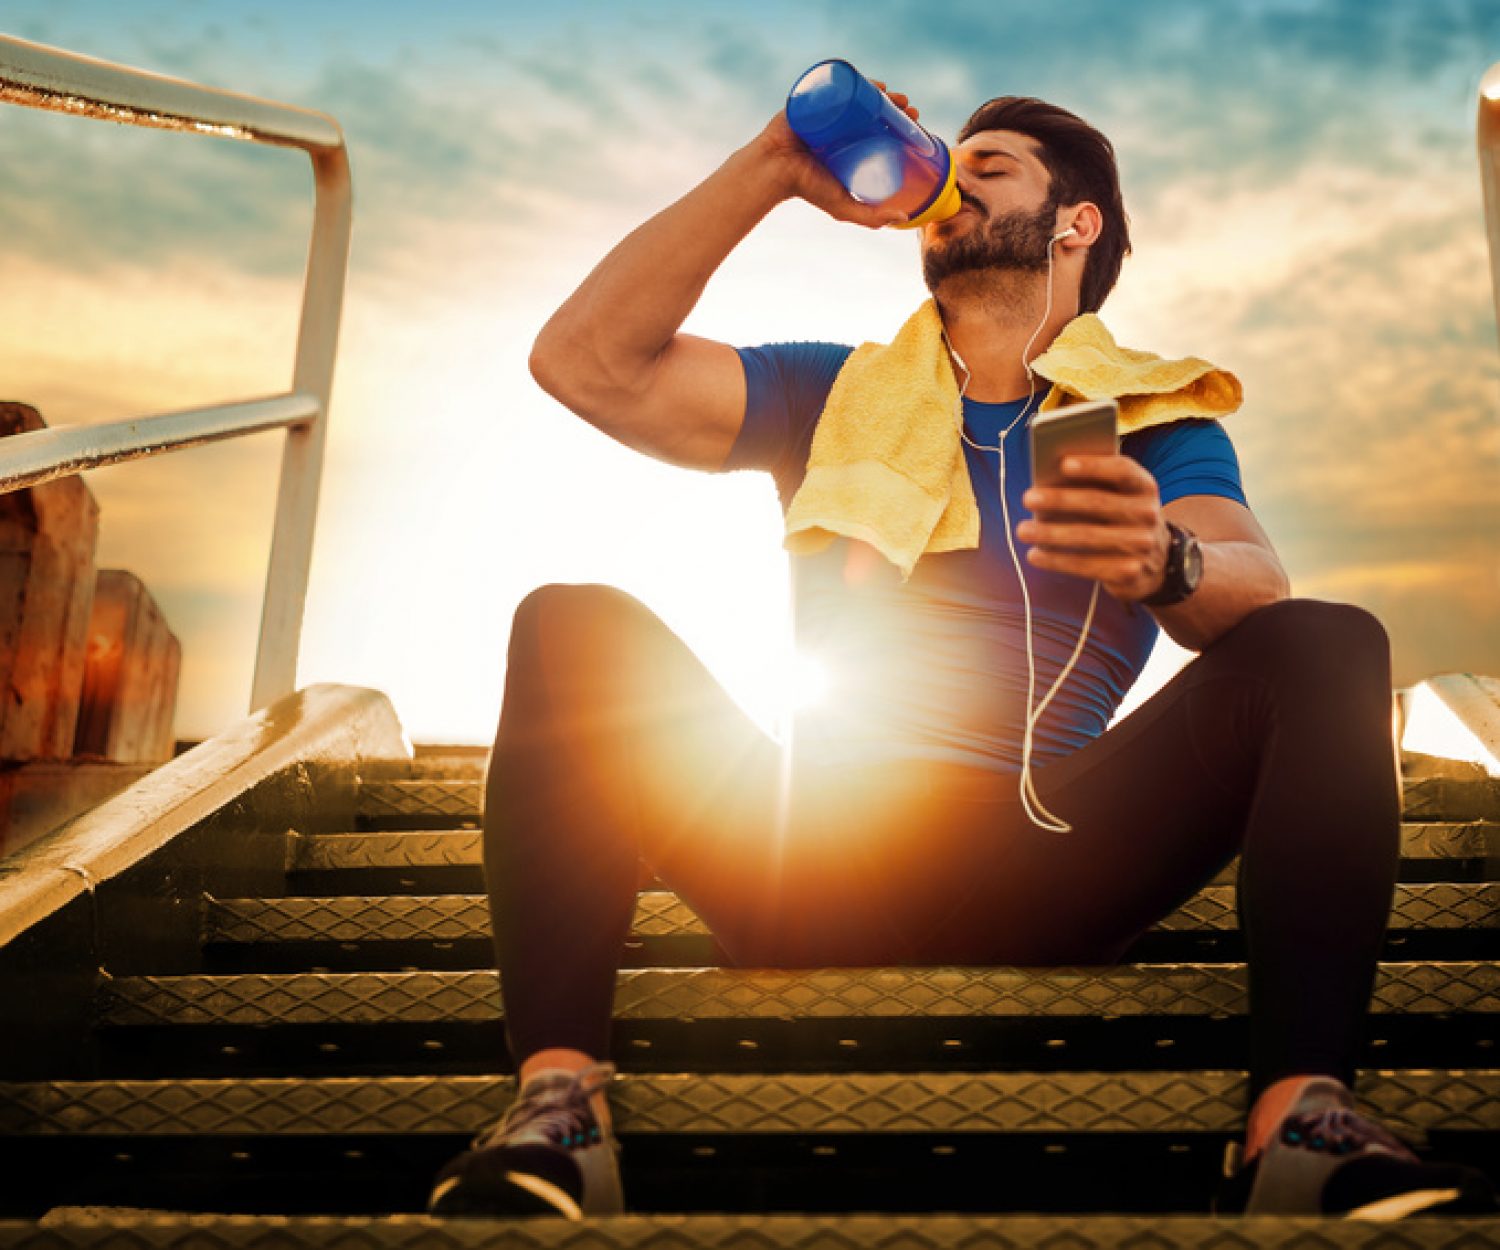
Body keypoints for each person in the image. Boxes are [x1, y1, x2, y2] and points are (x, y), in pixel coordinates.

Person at [427, 85, 1496, 1221]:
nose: (953, 178)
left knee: (1331, 637)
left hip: (1051, 854)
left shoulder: (1156, 420)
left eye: (991, 165)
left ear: (1075, 222)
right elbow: (584, 362)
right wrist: (772, 167)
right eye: (951, 162)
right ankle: (557, 1107)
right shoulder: (832, 391)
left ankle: (1301, 1119)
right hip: (815, 850)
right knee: (570, 621)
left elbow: (1255, 582)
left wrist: (1164, 557)